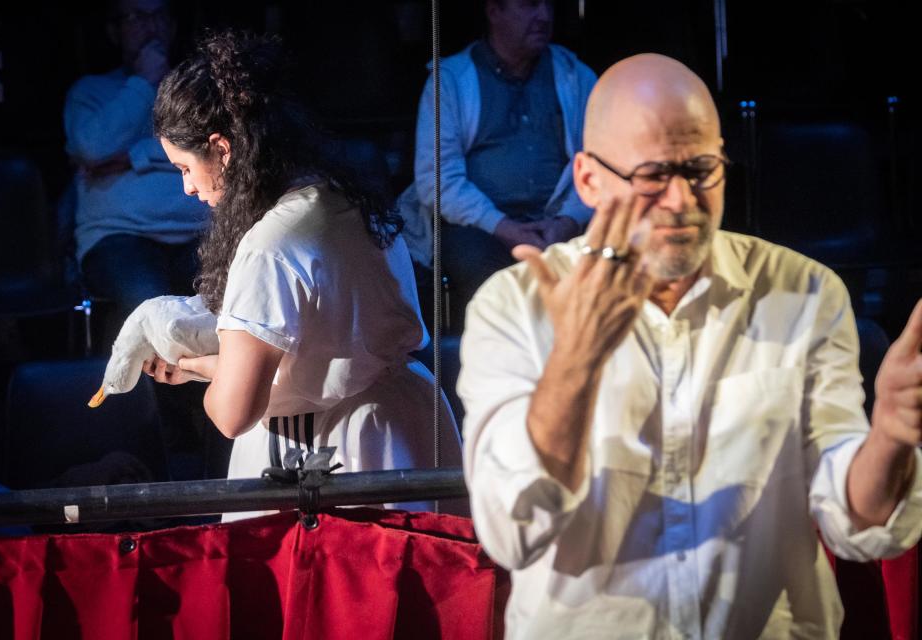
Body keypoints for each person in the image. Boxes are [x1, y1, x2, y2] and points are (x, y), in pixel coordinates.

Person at [459, 53, 922, 638]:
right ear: (588, 180)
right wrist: (575, 360)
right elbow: (511, 531)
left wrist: (890, 438)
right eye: (653, 175)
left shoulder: (802, 292)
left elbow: (854, 519)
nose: (681, 200)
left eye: (701, 169)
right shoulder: (514, 307)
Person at [148, 31, 462, 520]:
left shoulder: (269, 245)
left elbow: (233, 414)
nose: (187, 187)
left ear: (222, 148)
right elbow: (319, 360)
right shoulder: (343, 198)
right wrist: (194, 366)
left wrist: (209, 382)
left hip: (333, 452)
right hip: (403, 425)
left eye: (185, 168)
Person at [397, 0, 596, 329]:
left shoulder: (576, 76)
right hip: (479, 227)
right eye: (530, 5)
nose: (544, 16)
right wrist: (505, 228)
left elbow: (598, 164)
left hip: (559, 223)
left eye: (548, 4)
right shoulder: (450, 81)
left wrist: (568, 222)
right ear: (494, 11)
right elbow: (438, 180)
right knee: (489, 281)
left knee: (605, 267)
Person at [64, 0, 208, 315]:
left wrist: (135, 155)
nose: (151, 26)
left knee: (228, 302)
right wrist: (144, 82)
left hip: (198, 233)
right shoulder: (91, 92)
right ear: (114, 32)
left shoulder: (194, 94)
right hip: (119, 237)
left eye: (159, 15)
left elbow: (211, 149)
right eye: (136, 17)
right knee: (155, 309)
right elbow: (92, 148)